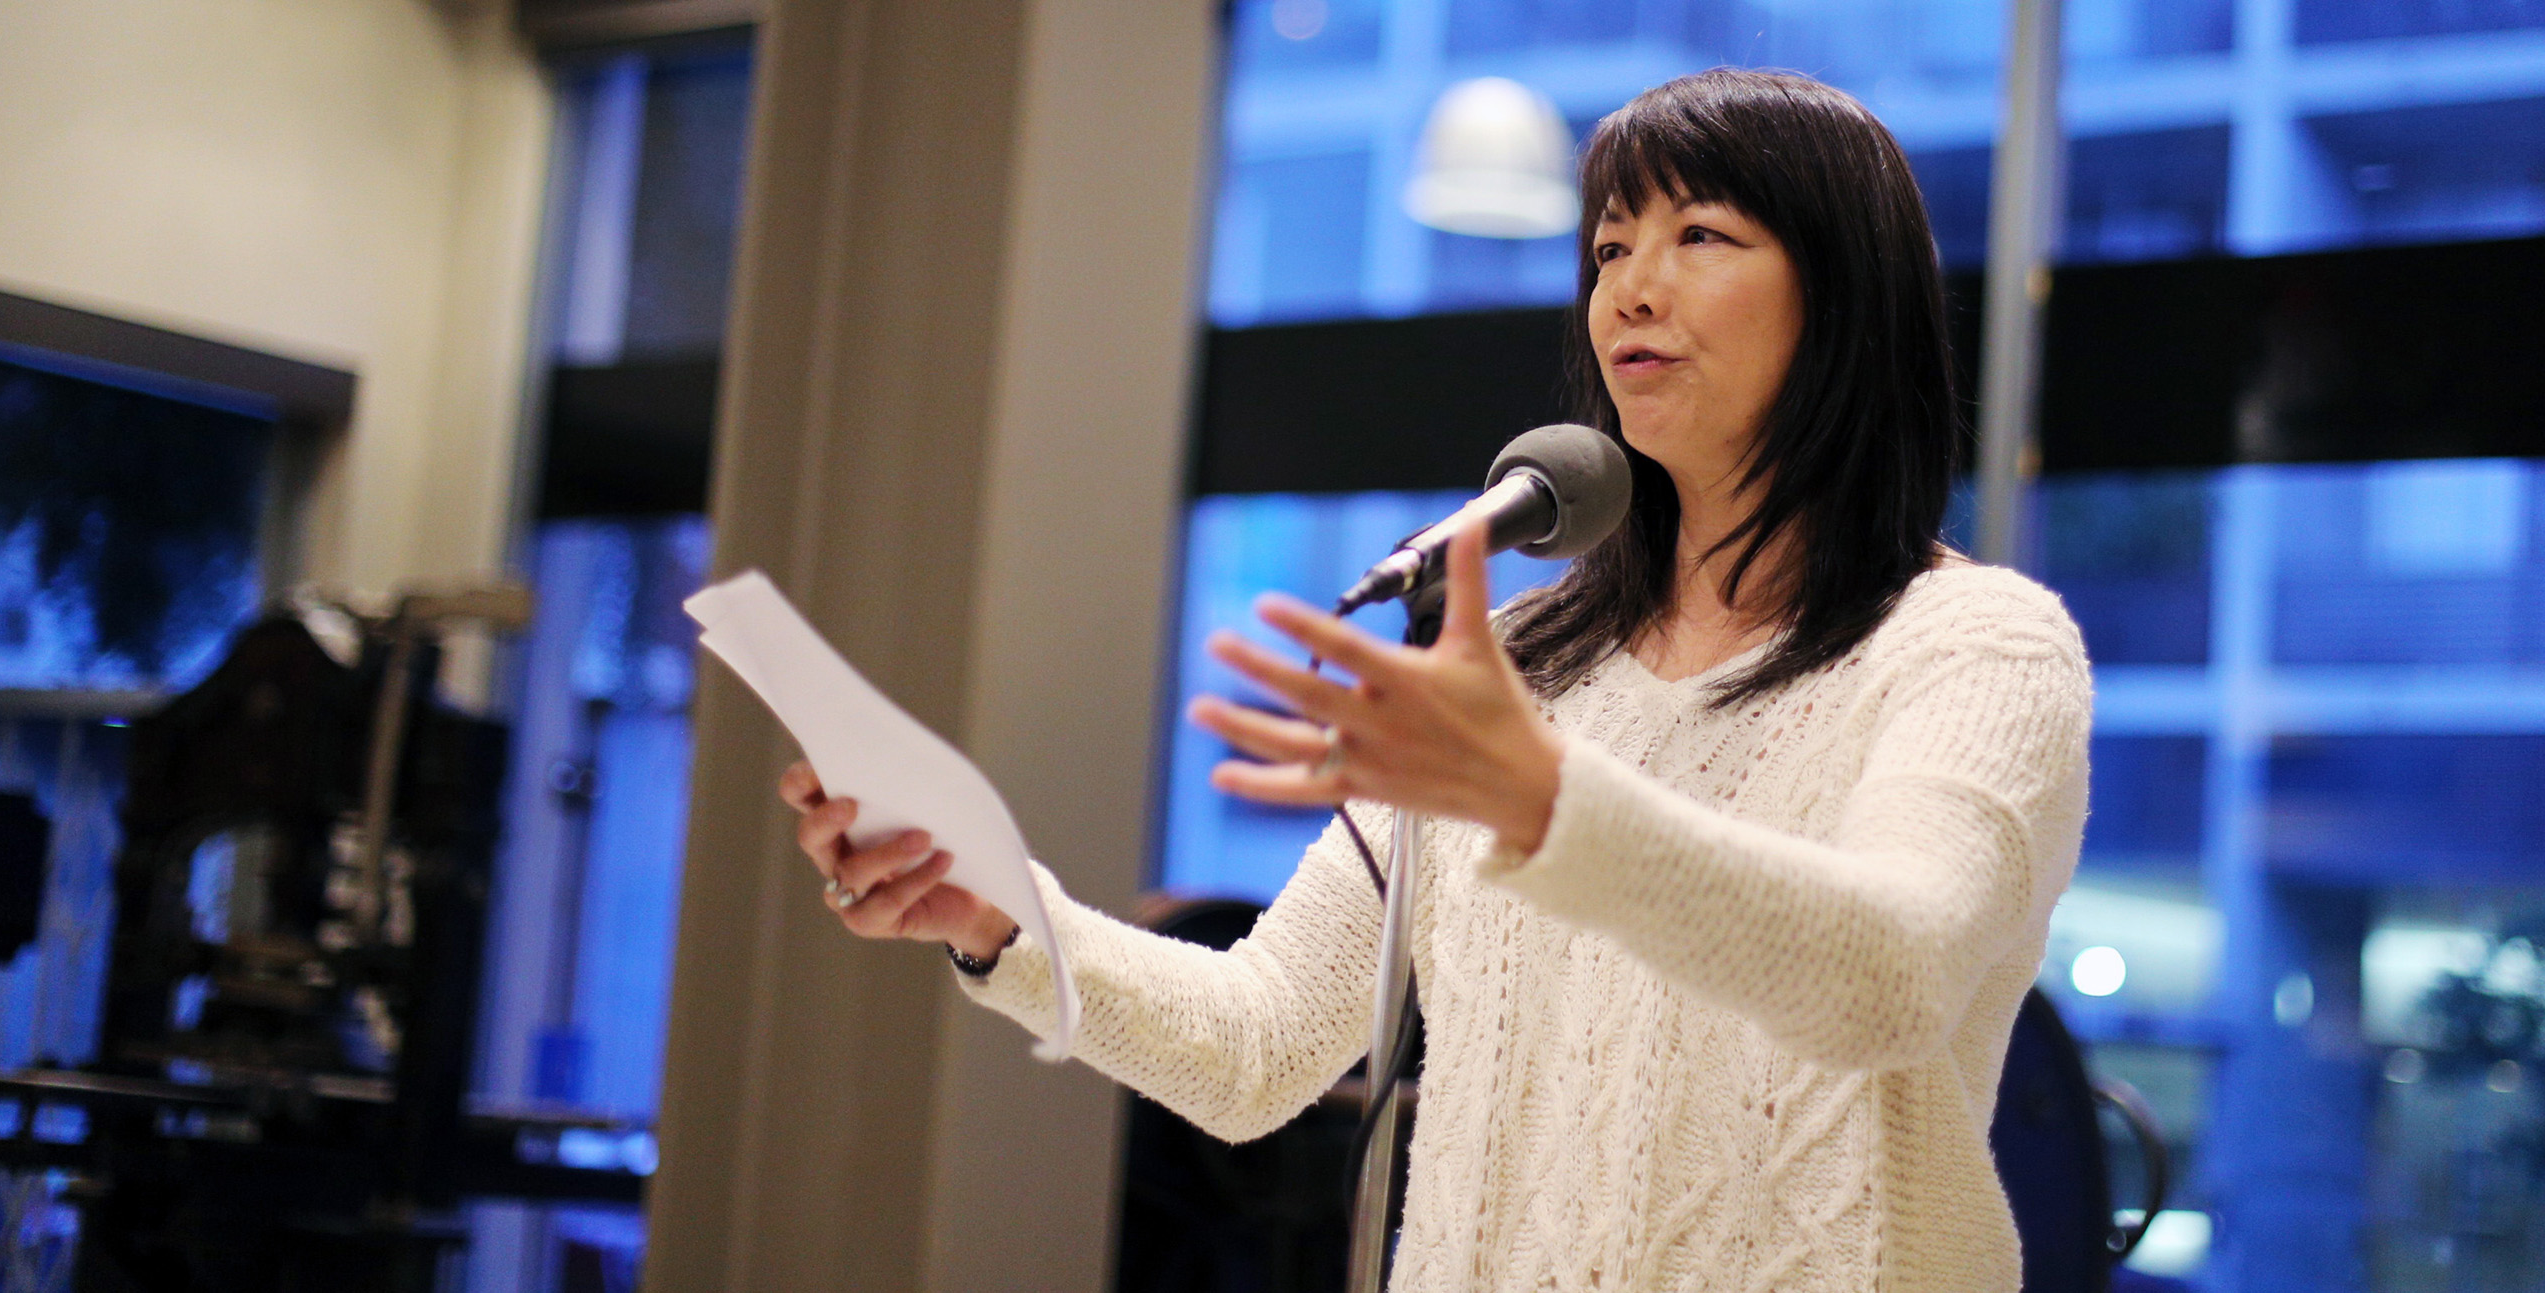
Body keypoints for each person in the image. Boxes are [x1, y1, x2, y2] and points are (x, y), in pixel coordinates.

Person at [782, 67, 2093, 1292]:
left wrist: (1542, 798)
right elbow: (1258, 1041)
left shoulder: (1974, 646)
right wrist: (1001, 916)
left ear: (1846, 297)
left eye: (1700, 235)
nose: (1632, 286)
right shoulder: (1520, 667)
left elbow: (1893, 978)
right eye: (1608, 247)